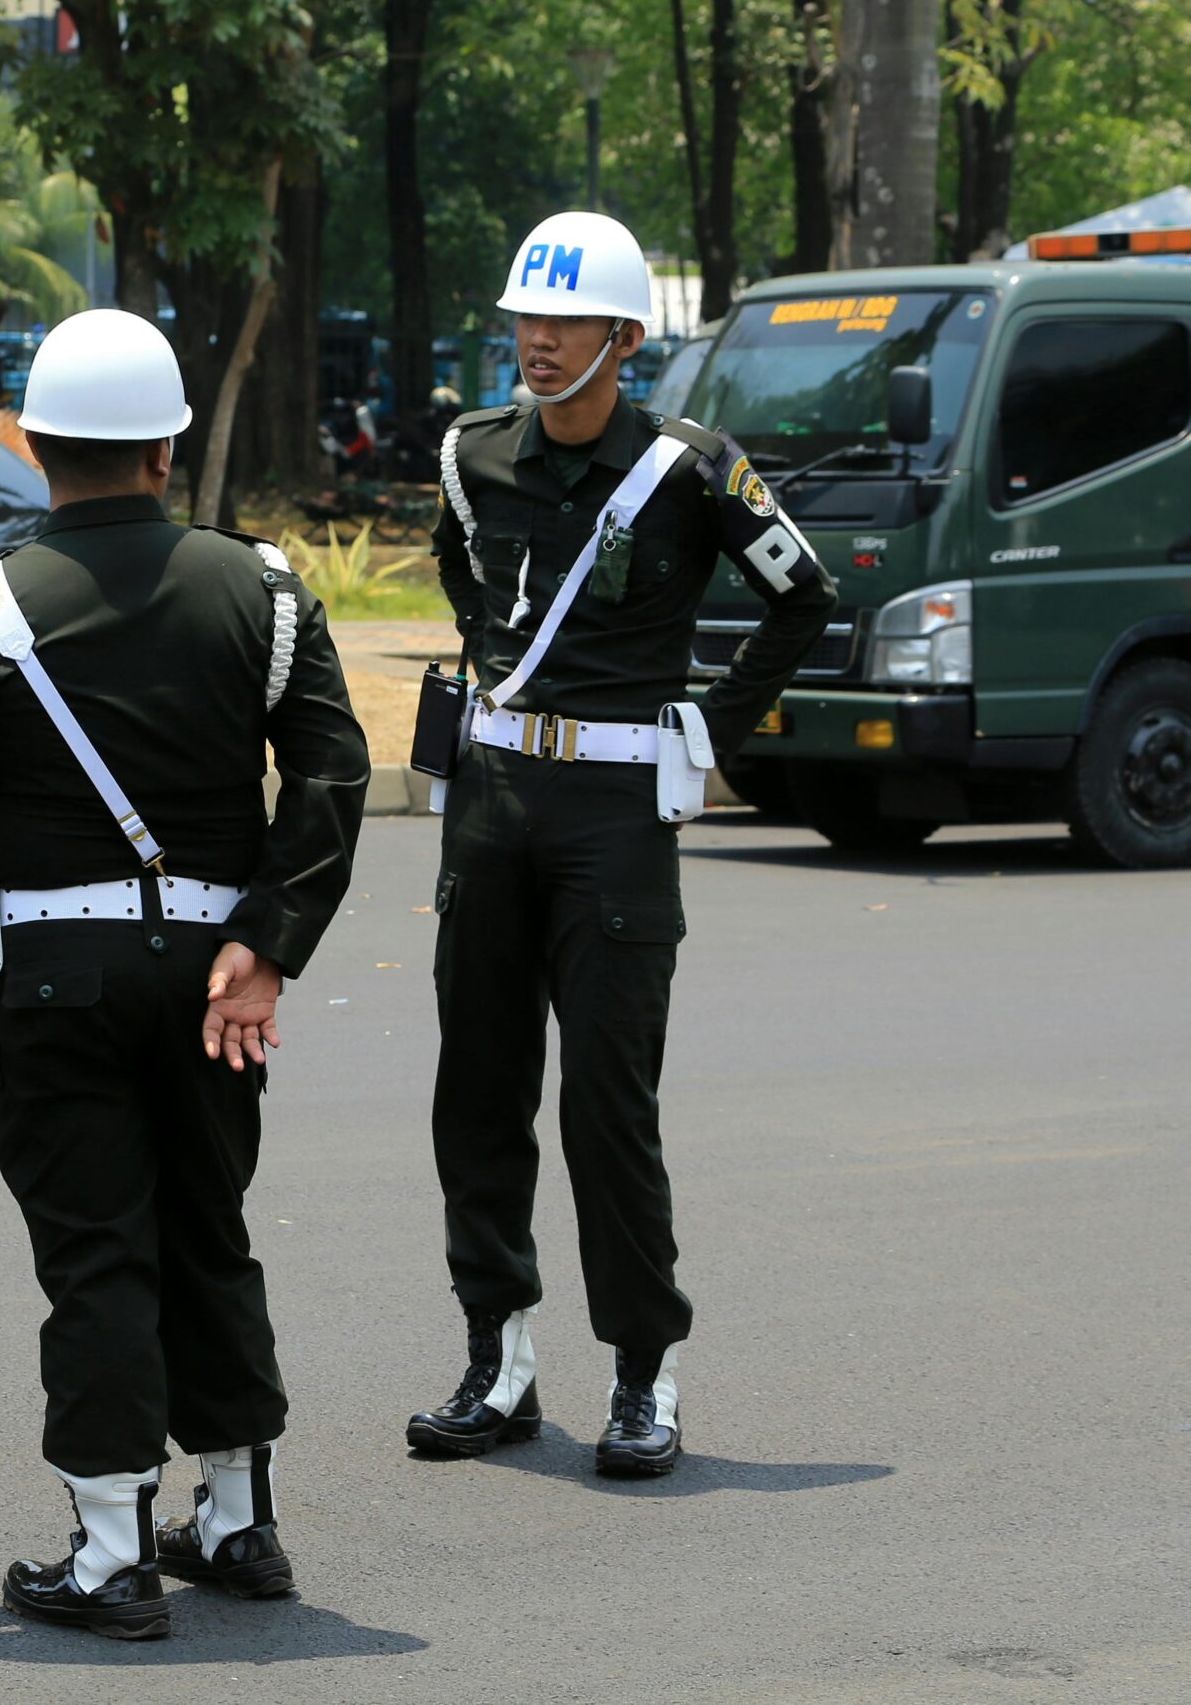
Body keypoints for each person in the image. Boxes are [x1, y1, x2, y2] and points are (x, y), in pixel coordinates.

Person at [0, 309, 369, 1639]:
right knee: (209, 1231)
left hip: (50, 980)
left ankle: (111, 1549)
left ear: (38, 441)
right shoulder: (267, 590)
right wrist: (269, 943)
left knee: (95, 1251)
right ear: (169, 444)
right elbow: (334, 773)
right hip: (209, 976)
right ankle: (239, 1520)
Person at [409, 212, 838, 1478]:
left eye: (565, 324)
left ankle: (643, 1376)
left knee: (607, 1106)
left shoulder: (691, 468)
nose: (538, 345)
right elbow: (467, 586)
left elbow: (803, 593)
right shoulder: (467, 453)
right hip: (491, 809)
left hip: (614, 823)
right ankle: (498, 1363)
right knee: (476, 1095)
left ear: (624, 339)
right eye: (525, 323)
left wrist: (709, 727)